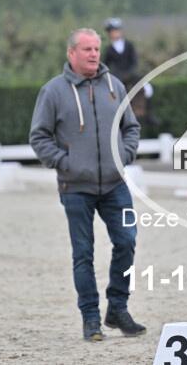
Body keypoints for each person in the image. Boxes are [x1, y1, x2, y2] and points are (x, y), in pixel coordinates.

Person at [29, 28, 146, 341]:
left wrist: (125, 154)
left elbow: (131, 127)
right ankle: (91, 318)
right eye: (87, 49)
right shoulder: (53, 91)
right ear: (71, 53)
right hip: (75, 187)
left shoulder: (115, 86)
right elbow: (39, 137)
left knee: (127, 241)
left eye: (96, 48)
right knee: (83, 253)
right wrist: (65, 163)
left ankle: (117, 308)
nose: (94, 54)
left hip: (114, 185)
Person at [103, 18, 138, 88]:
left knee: (147, 89)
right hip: (116, 77)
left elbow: (134, 61)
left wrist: (129, 73)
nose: (114, 33)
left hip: (130, 76)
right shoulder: (108, 49)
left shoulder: (129, 45)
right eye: (111, 31)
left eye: (116, 30)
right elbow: (106, 65)